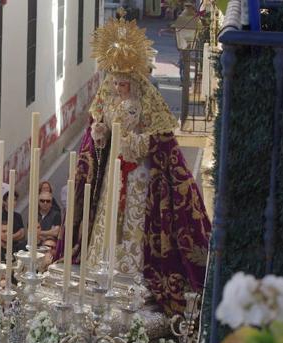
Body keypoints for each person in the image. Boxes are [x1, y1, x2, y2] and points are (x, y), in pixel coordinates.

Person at [70, 16, 210, 316]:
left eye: (123, 81)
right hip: (113, 169)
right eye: (115, 80)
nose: (119, 85)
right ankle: (102, 261)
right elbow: (100, 131)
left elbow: (153, 140)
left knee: (132, 218)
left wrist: (131, 142)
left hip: (137, 173)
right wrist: (100, 134)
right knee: (108, 212)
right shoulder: (107, 99)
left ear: (134, 80)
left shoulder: (144, 102)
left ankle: (129, 266)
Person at [0, 190, 26, 255]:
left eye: (14, 200)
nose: (13, 202)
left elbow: (22, 233)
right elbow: (2, 236)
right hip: (3, 247)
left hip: (18, 247)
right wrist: (17, 235)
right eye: (10, 199)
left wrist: (10, 237)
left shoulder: (18, 216)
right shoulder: (0, 216)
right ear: (4, 202)